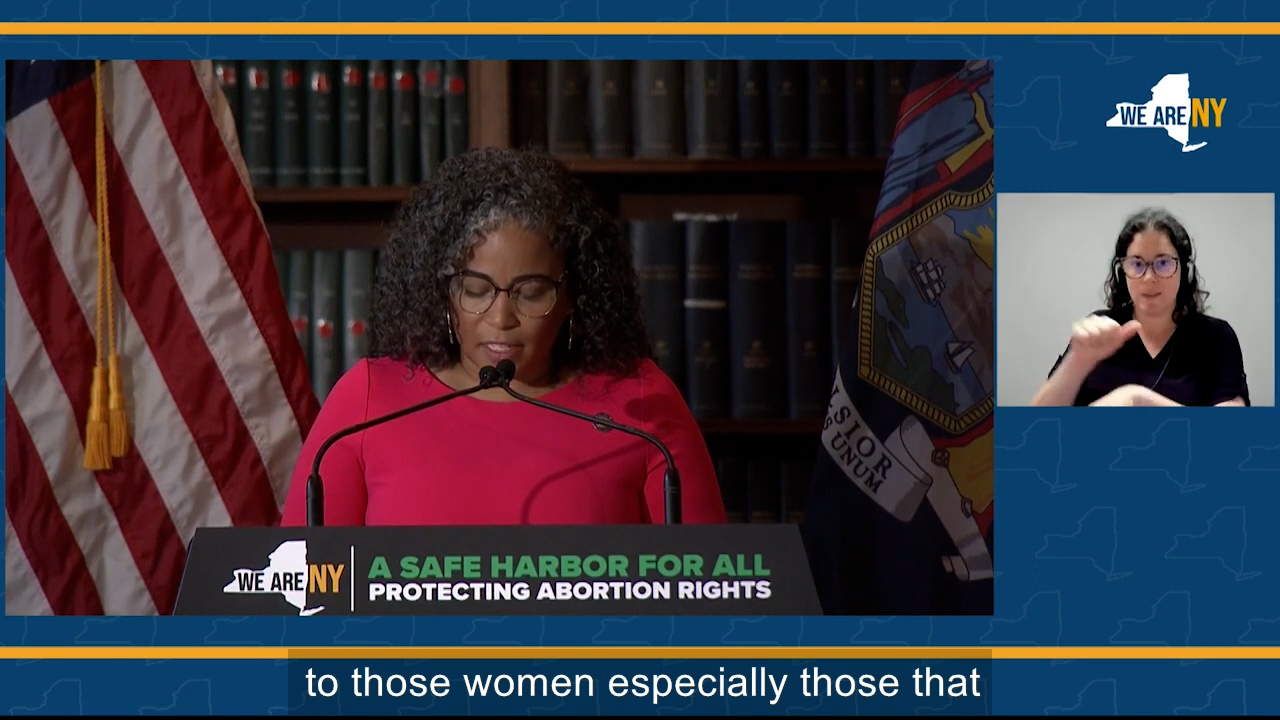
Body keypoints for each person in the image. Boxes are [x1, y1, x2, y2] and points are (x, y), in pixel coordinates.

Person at [279, 148, 727, 526]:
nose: (501, 317)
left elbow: (711, 583)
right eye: (476, 290)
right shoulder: (368, 402)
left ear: (573, 296)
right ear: (444, 292)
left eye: (531, 293)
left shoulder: (639, 405)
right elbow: (298, 582)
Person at [1030, 207, 1249, 407]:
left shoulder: (1215, 337)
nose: (1149, 278)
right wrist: (1077, 362)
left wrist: (1137, 400)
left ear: (1183, 268)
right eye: (1137, 264)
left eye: (1163, 263)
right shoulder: (1101, 331)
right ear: (1122, 271)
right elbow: (1038, 425)